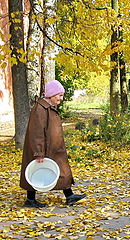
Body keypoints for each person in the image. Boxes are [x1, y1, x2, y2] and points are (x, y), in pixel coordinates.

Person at [20, 80, 86, 208]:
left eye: (62, 95)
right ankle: (30, 199)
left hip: (54, 147)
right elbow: (36, 132)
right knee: (34, 170)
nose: (61, 98)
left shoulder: (49, 107)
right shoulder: (40, 109)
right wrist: (38, 152)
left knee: (62, 169)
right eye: (59, 95)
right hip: (44, 147)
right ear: (50, 94)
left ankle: (69, 196)